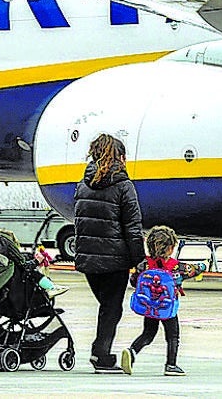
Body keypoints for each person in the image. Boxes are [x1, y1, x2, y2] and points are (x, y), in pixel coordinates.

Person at [73, 133, 144, 374]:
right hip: (115, 259)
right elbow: (132, 228)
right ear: (121, 158)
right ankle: (101, 356)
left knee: (107, 306)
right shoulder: (124, 187)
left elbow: (79, 222)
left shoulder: (82, 185)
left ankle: (100, 352)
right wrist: (139, 260)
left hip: (88, 258)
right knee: (112, 308)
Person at [121, 225, 206, 377]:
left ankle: (132, 351)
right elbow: (192, 269)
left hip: (149, 307)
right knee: (173, 336)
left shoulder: (144, 265)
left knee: (148, 333)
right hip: (167, 308)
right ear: (171, 248)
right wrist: (204, 265)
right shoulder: (175, 267)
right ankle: (171, 365)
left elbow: (134, 281)